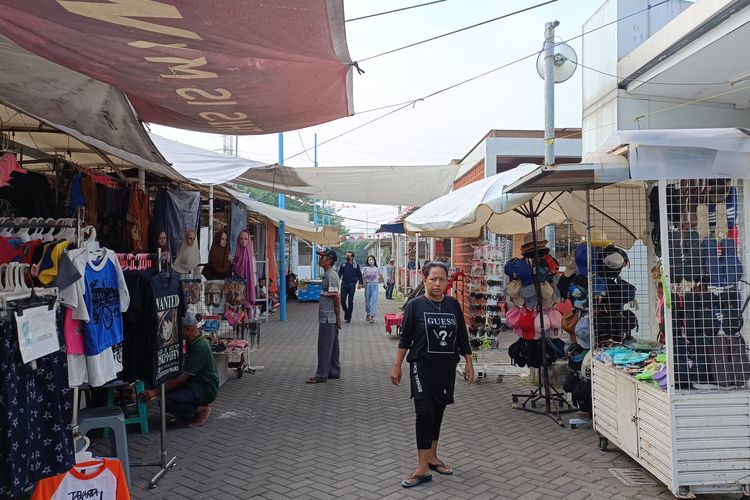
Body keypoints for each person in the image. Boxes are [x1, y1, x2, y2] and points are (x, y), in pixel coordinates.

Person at [390, 261, 474, 488]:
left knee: (437, 411)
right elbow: (405, 339)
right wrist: (397, 366)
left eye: (442, 279)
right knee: (424, 411)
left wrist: (468, 362)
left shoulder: (453, 305)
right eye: (433, 279)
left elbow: (462, 338)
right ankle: (422, 467)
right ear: (424, 279)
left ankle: (433, 457)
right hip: (421, 366)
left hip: (445, 368)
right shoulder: (415, 306)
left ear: (447, 281)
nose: (437, 283)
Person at [140, 312, 219, 427]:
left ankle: (200, 410)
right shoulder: (192, 341)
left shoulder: (200, 346)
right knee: (164, 392)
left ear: (188, 328)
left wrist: (155, 392)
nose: (176, 332)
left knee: (166, 402)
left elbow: (182, 377)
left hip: (205, 388)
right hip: (194, 383)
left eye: (178, 329)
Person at [306, 248, 342, 384]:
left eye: (322, 257)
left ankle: (321, 374)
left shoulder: (330, 276)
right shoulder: (329, 274)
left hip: (329, 317)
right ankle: (334, 371)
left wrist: (338, 317)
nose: (320, 259)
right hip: (330, 316)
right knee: (333, 345)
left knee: (324, 346)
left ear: (329, 261)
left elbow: (336, 297)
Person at [232, 229, 257, 310]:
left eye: (246, 239)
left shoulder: (250, 254)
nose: (243, 241)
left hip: (248, 282)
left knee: (247, 306)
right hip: (238, 283)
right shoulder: (236, 253)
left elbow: (252, 272)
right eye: (241, 239)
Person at [338, 251, 362, 324]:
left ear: (352, 257)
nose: (347, 257)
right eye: (346, 256)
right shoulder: (343, 264)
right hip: (344, 284)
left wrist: (360, 283)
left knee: (350, 301)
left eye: (348, 256)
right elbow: (339, 274)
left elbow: (359, 275)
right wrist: (335, 283)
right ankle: (346, 311)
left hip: (352, 284)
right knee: (342, 300)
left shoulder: (356, 265)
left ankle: (349, 316)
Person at [362, 255, 382, 323]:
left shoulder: (377, 268)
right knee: (367, 302)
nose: (371, 261)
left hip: (375, 286)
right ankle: (368, 313)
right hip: (368, 286)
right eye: (369, 260)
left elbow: (381, 276)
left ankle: (372, 316)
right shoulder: (365, 268)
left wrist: (384, 284)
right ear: (367, 261)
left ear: (374, 260)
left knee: (373, 302)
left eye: (372, 259)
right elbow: (363, 278)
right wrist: (362, 285)